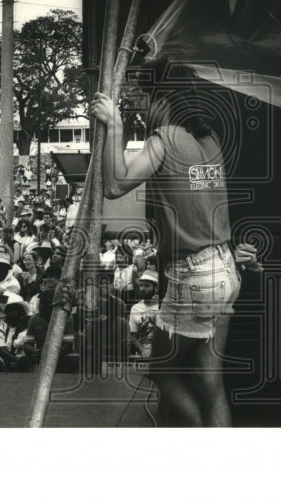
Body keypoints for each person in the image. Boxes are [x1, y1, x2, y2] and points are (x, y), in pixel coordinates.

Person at [90, 63, 259, 426]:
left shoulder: (164, 138)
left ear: (160, 96)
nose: (139, 104)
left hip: (194, 275)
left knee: (164, 373)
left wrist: (115, 125)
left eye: (143, 95)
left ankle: (201, 449)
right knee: (210, 381)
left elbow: (114, 185)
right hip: (226, 269)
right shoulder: (209, 140)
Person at [128, 269, 160, 359]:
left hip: (162, 353)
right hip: (143, 355)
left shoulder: (163, 307)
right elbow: (132, 336)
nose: (142, 288)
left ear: (156, 288)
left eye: (147, 286)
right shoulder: (135, 308)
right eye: (141, 285)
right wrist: (143, 350)